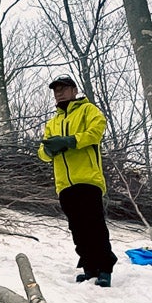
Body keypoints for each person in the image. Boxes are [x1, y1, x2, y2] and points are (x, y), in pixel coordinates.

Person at [39, 75, 115, 287]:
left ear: (74, 90)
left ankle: (104, 268)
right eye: (56, 90)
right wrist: (48, 149)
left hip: (87, 178)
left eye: (63, 88)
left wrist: (71, 141)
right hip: (64, 183)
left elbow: (96, 132)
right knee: (77, 227)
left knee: (94, 224)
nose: (59, 93)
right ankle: (89, 266)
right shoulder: (53, 122)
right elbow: (42, 152)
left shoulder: (87, 110)